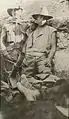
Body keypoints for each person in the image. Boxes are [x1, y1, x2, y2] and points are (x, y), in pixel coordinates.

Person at [17, 7, 60, 101]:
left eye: (37, 17)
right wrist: (22, 60)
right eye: (35, 17)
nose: (35, 19)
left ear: (42, 17)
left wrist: (49, 59)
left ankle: (40, 92)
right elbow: (25, 49)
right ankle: (33, 91)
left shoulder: (51, 30)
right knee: (24, 78)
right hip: (29, 59)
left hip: (42, 58)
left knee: (48, 78)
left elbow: (53, 47)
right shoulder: (32, 32)